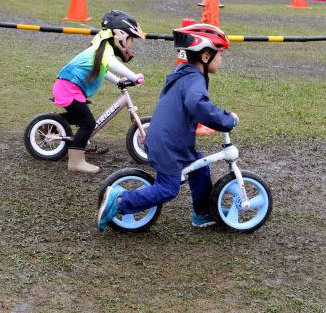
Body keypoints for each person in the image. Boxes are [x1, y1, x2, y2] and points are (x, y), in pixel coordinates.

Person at [98, 23, 238, 231]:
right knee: (168, 189)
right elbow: (197, 104)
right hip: (169, 146)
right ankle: (119, 202)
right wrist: (226, 119)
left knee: (199, 166)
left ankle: (203, 213)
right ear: (206, 57)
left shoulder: (183, 73)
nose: (221, 58)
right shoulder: (194, 81)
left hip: (170, 141)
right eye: (219, 54)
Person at [53, 11, 145, 174]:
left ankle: (52, 126)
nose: (131, 45)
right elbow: (112, 64)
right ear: (120, 36)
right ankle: (75, 161)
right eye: (131, 40)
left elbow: (104, 69)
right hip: (68, 88)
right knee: (88, 123)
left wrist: (119, 81)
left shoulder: (102, 48)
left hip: (69, 87)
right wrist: (133, 77)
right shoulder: (104, 50)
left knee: (82, 118)